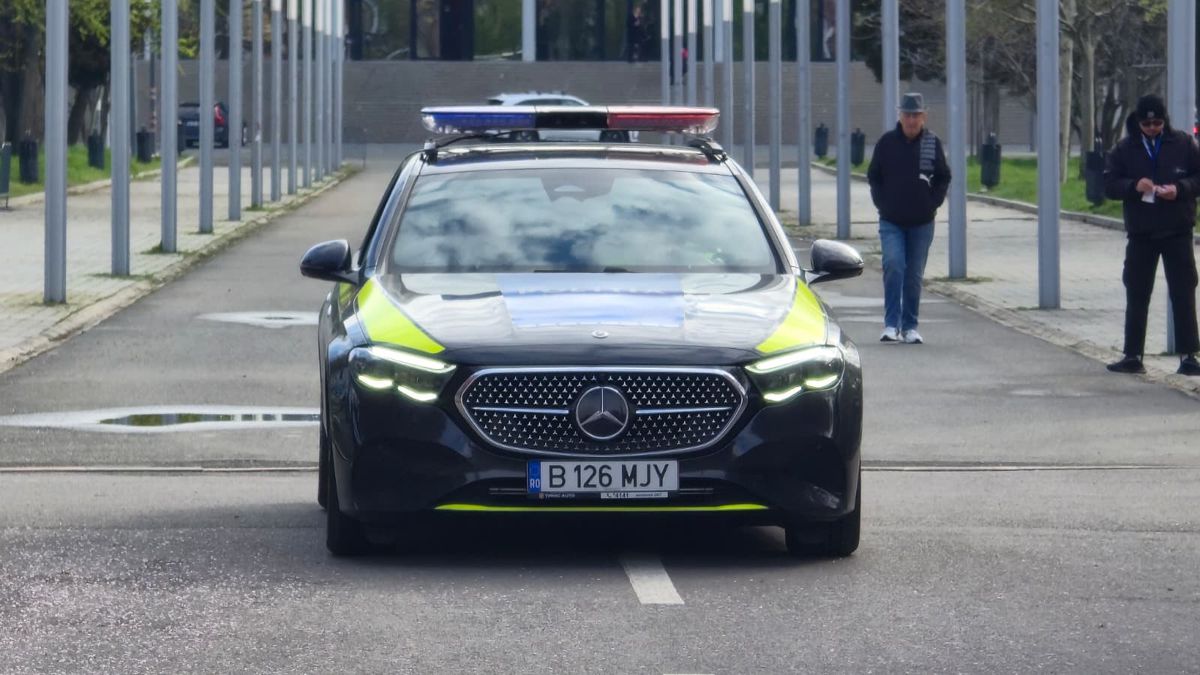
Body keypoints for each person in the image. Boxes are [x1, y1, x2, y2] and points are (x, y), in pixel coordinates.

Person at [1102, 94, 1200, 376]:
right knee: (1137, 292)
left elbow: (1198, 177)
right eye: (1147, 124)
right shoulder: (1125, 148)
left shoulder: (1182, 144)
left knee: (1183, 292)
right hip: (1142, 233)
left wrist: (1180, 189)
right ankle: (1133, 354)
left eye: (1157, 123)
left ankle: (1189, 356)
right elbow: (1109, 184)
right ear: (1138, 123)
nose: (1153, 128)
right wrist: (1134, 186)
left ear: (1164, 120)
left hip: (1177, 230)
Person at [867, 92, 951, 344]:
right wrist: (882, 203)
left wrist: (932, 202)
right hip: (891, 220)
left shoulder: (932, 144)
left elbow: (943, 176)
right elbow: (874, 176)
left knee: (914, 274)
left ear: (924, 117)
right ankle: (891, 324)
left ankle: (910, 326)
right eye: (907, 115)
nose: (911, 120)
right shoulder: (886, 143)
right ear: (900, 116)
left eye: (916, 115)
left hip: (922, 222)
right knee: (893, 265)